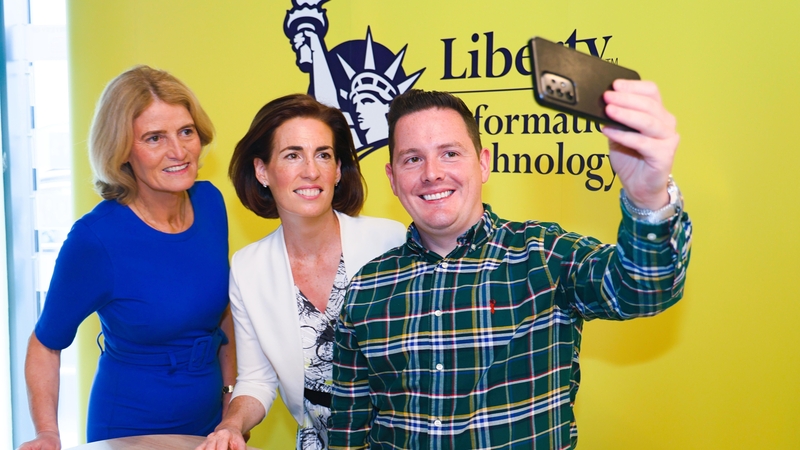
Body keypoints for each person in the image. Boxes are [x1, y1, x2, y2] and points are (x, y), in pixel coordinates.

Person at [329, 82, 693, 449]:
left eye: (450, 153)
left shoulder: (543, 256)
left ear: (483, 163)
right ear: (392, 178)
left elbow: (643, 289)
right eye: (412, 159)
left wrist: (647, 199)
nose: (432, 173)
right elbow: (349, 430)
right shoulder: (366, 289)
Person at [19, 65, 235, 449]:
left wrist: (231, 403)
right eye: (154, 138)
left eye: (186, 131)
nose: (178, 151)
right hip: (130, 429)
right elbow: (45, 343)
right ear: (121, 151)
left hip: (211, 427)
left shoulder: (210, 203)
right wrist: (48, 433)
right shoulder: (96, 239)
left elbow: (223, 313)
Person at [196, 94, 406, 450]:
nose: (311, 170)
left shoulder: (390, 241)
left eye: (323, 155)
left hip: (402, 439)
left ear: (337, 170)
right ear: (262, 171)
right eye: (292, 155)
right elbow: (257, 380)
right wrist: (231, 425)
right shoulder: (248, 268)